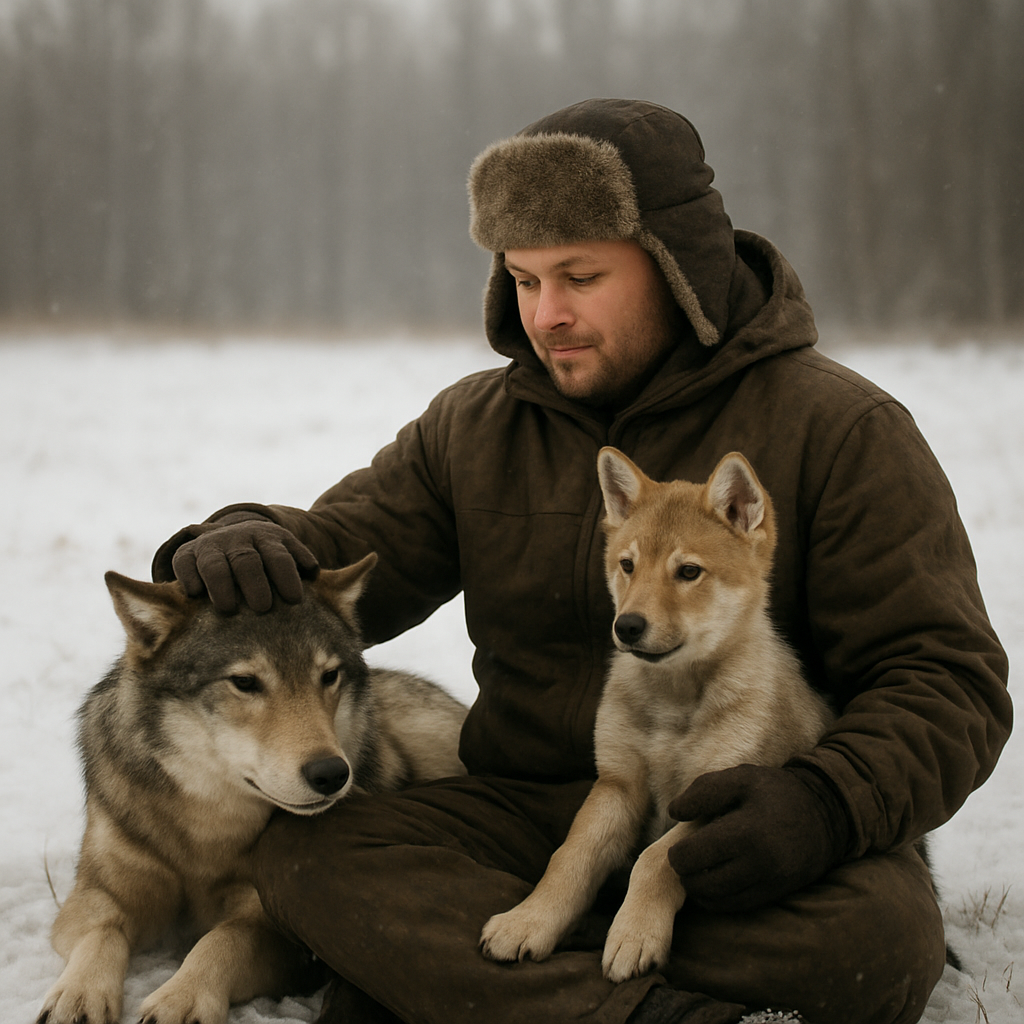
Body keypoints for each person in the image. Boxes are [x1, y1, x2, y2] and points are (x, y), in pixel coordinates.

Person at [152, 99, 1011, 1024]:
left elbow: (946, 681)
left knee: (875, 939)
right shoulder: (473, 427)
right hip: (522, 822)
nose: (546, 314)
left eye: (580, 276)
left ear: (680, 266)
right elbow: (341, 559)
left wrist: (821, 806)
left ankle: (463, 987)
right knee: (306, 857)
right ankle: (654, 1012)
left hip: (741, 836)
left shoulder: (842, 430)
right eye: (522, 280)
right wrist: (242, 536)